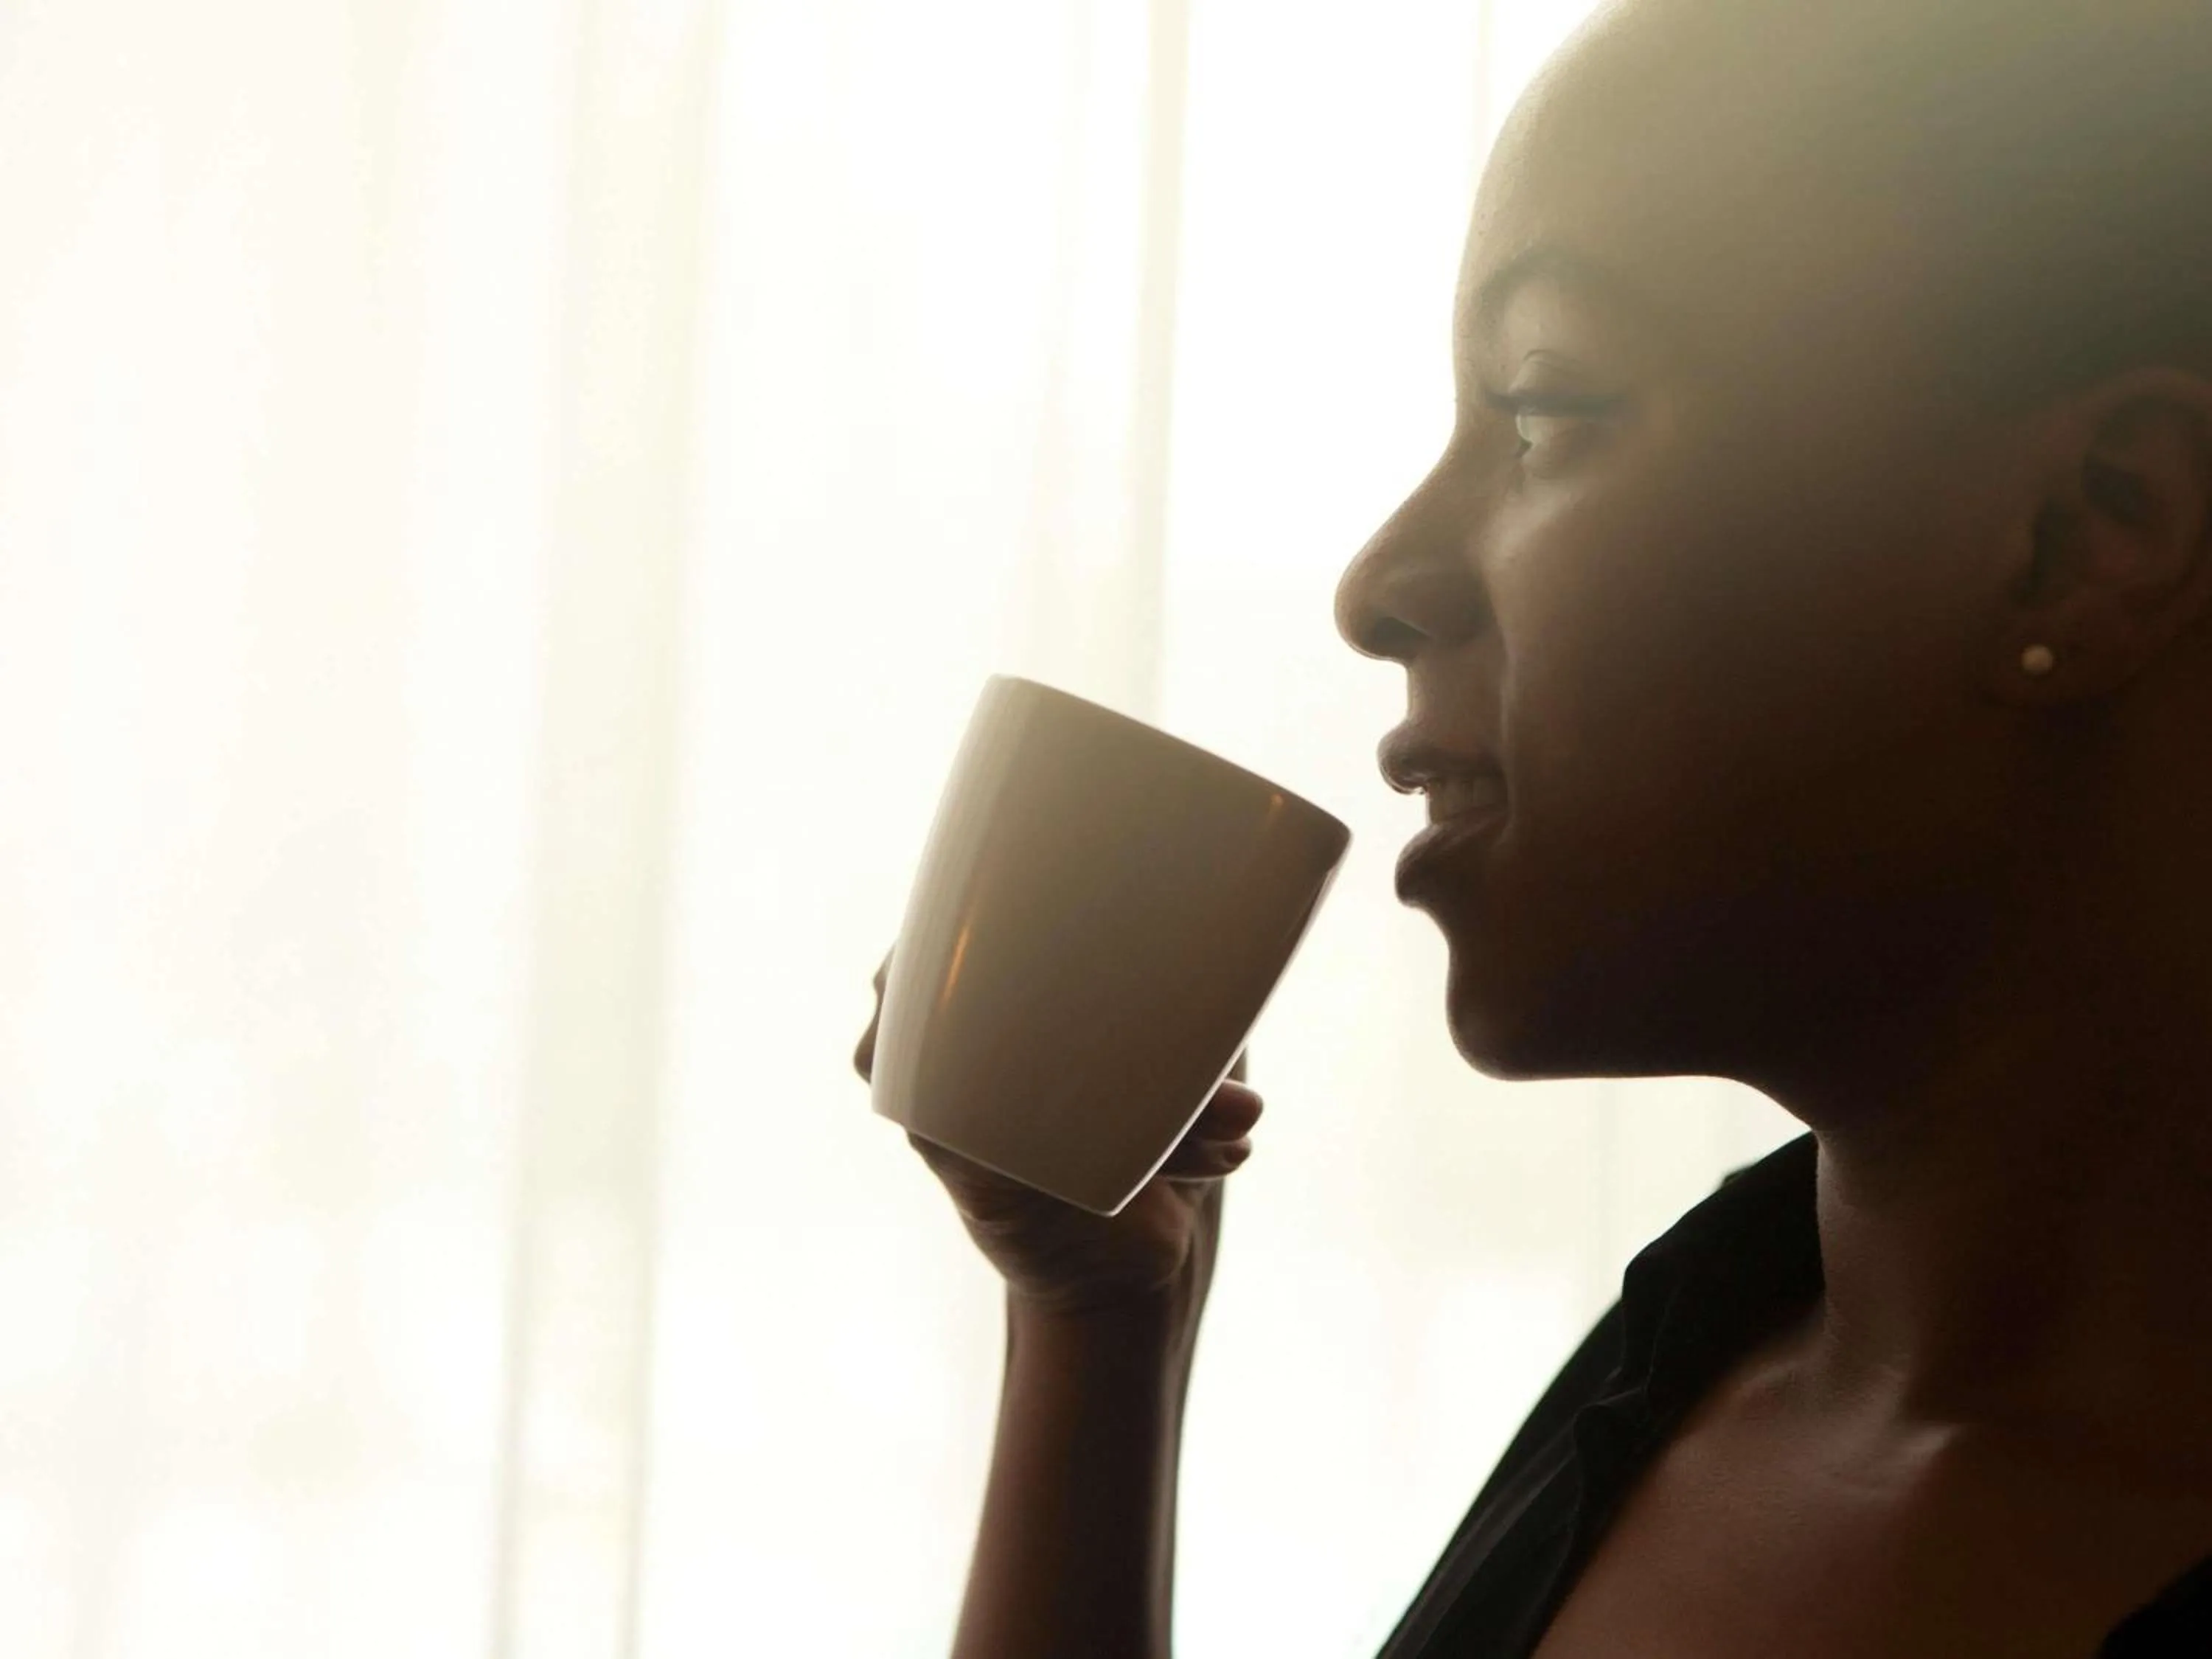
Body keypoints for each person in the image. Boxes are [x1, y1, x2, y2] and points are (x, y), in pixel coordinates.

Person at [852, 0, 2212, 1652]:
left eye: (1546, 410)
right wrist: (1099, 1323)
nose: (1376, 588)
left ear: (2092, 533)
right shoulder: (1701, 1347)